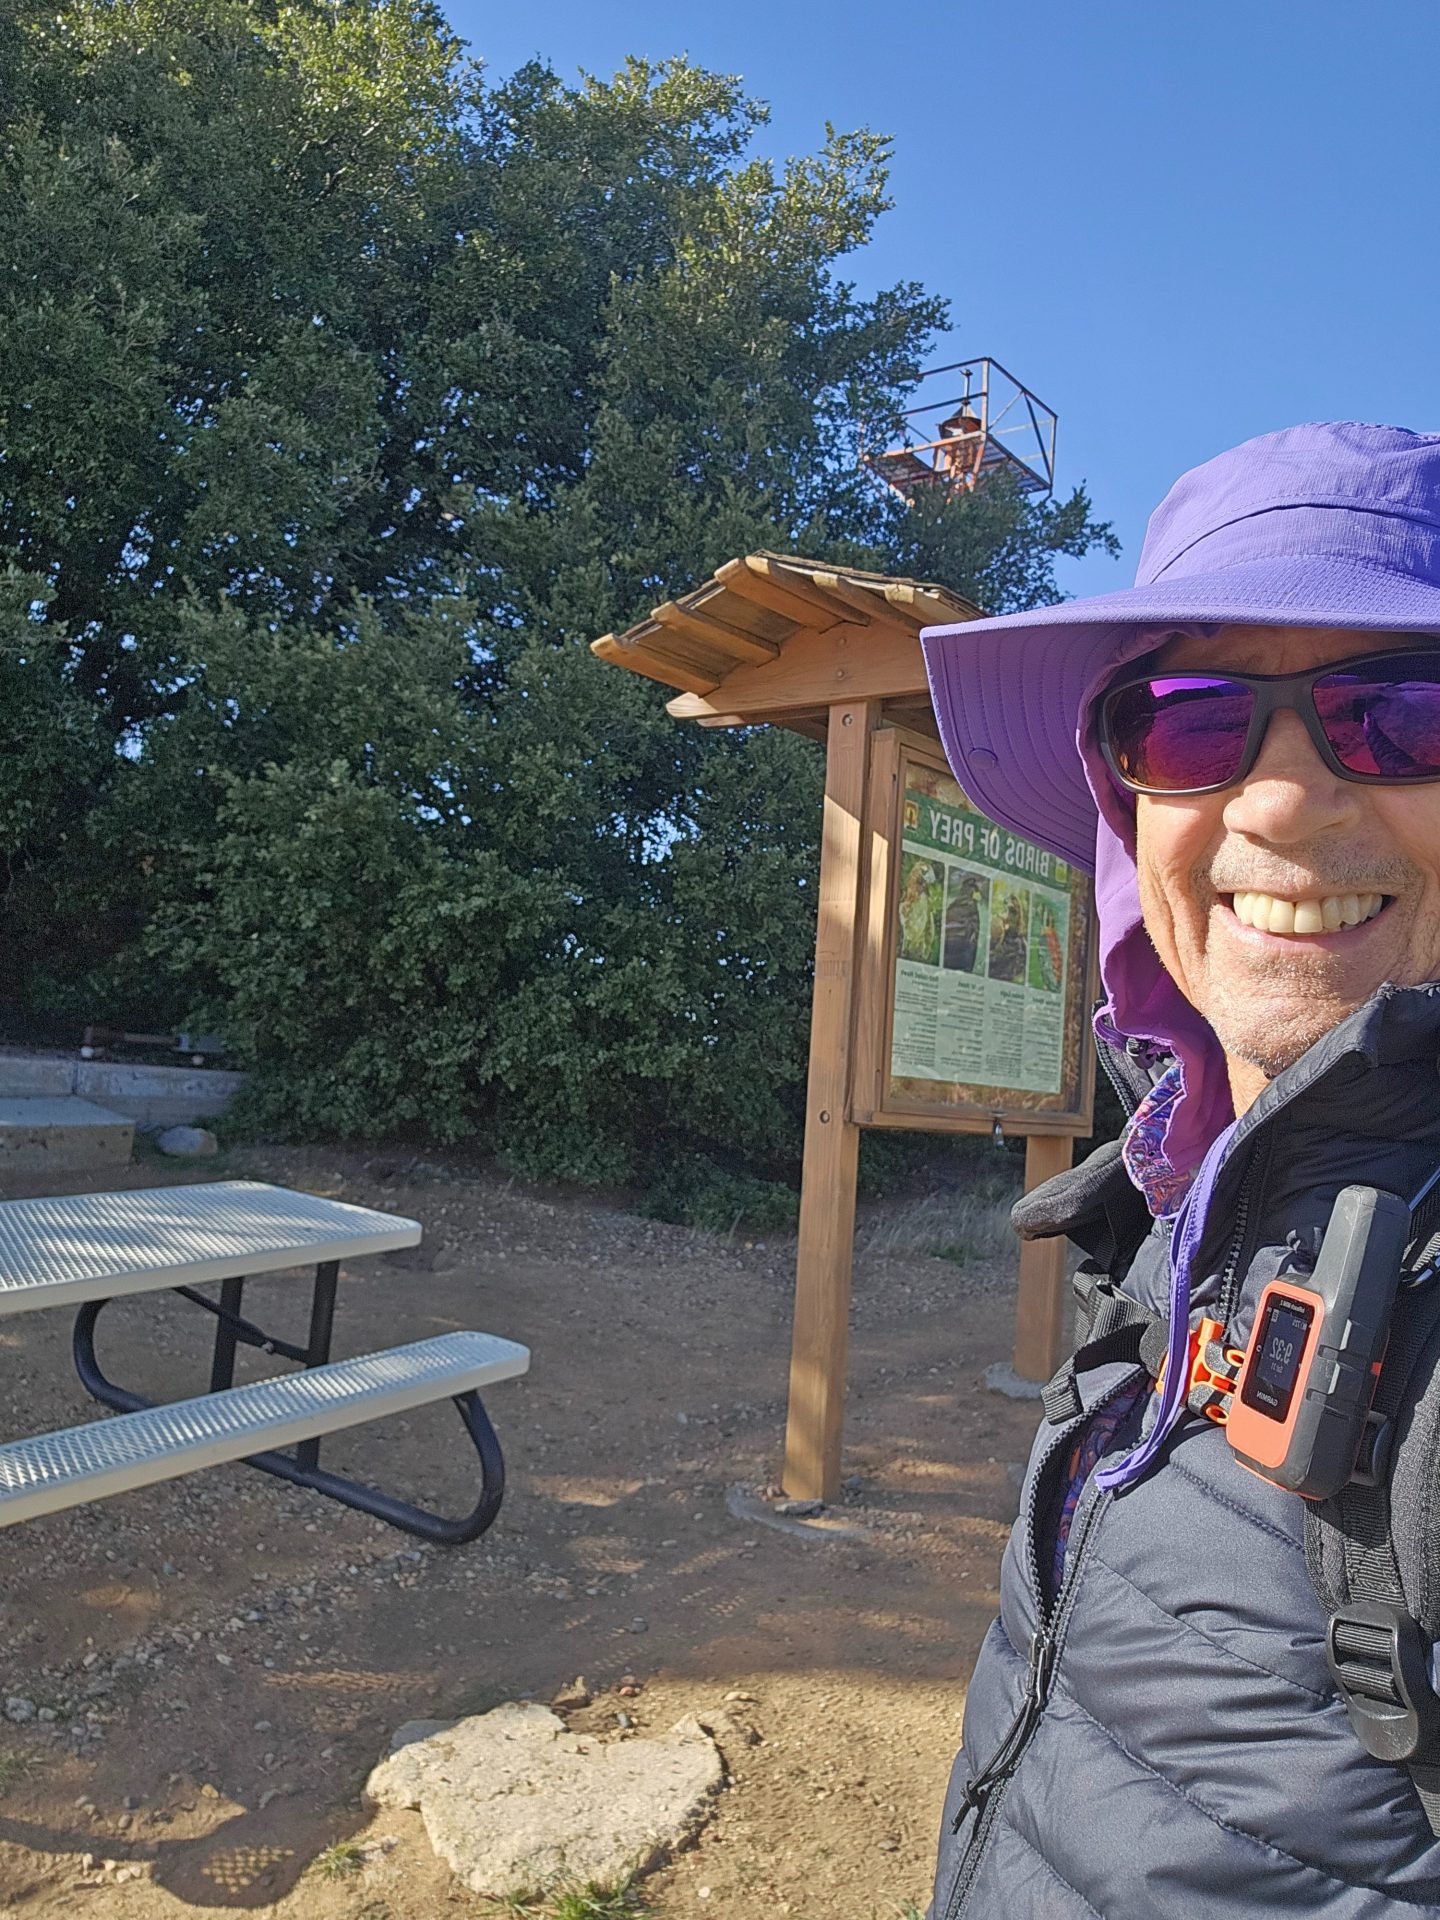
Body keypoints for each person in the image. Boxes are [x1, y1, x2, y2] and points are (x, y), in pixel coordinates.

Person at [919, 421, 1440, 1917]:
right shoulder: (1179, 1207)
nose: (1276, 802)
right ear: (1125, 797)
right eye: (1192, 723)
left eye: (1400, 712)